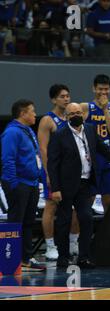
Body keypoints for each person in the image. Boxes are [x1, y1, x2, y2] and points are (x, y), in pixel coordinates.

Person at [47, 103, 110, 269]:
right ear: (67, 117)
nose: (76, 115)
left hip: (85, 183)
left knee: (86, 219)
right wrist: (56, 188)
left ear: (83, 114)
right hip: (66, 186)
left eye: (78, 112)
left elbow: (104, 150)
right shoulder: (60, 134)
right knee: (64, 222)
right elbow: (52, 164)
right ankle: (63, 257)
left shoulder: (89, 129)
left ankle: (84, 257)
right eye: (72, 113)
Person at [1, 99, 46, 272]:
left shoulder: (27, 131)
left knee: (28, 222)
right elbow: (8, 159)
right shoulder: (12, 132)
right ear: (23, 113)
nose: (35, 114)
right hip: (19, 184)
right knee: (16, 222)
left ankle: (26, 258)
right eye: (32, 111)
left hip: (31, 183)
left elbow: (34, 156)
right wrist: (13, 184)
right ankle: (11, 261)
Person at [38, 84, 80, 261]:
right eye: (62, 96)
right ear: (54, 99)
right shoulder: (48, 120)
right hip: (53, 170)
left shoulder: (72, 118)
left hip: (70, 172)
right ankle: (49, 246)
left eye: (68, 96)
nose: (66, 99)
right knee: (51, 206)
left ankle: (73, 242)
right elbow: (43, 149)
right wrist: (49, 174)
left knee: (75, 206)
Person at [81, 74, 110, 213]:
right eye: (100, 89)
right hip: (90, 161)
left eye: (106, 89)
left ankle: (108, 233)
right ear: (94, 89)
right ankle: (83, 233)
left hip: (108, 160)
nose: (103, 92)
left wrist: (105, 110)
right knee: (87, 200)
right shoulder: (85, 107)